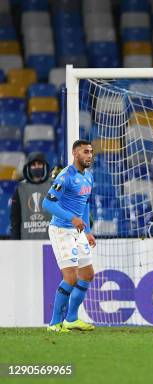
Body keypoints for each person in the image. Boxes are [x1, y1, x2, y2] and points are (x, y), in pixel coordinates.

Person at [42, 140, 96, 332]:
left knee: (88, 274)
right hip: (61, 230)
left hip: (79, 231)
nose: (89, 155)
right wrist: (72, 218)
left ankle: (71, 319)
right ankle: (55, 323)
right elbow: (47, 204)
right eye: (85, 152)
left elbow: (85, 203)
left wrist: (88, 231)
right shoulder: (65, 177)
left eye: (90, 152)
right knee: (71, 277)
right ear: (75, 153)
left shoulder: (88, 177)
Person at [10, 152, 53, 239]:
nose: (37, 167)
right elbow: (15, 220)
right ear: (28, 167)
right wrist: (15, 242)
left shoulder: (53, 186)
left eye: (40, 164)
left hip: (50, 241)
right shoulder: (20, 188)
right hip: (26, 243)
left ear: (45, 166)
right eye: (33, 164)